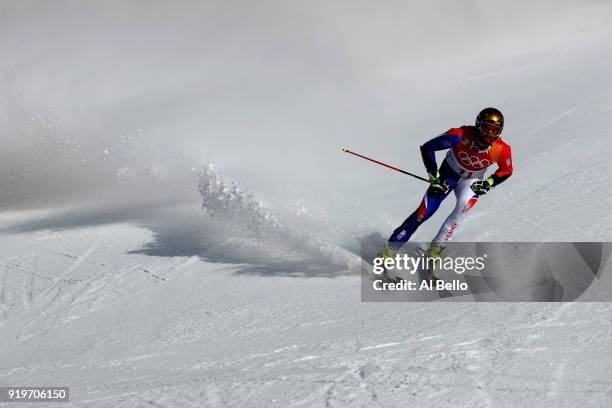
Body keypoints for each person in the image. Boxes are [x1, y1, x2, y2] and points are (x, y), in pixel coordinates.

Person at [378, 108, 513, 279]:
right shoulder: (459, 135)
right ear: (478, 125)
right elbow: (428, 147)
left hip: (472, 180)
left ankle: (435, 250)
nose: (488, 134)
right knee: (423, 213)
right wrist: (434, 177)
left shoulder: (501, 149)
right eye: (486, 128)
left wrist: (489, 183)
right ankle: (390, 250)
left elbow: (506, 170)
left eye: (494, 130)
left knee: (464, 206)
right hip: (448, 174)